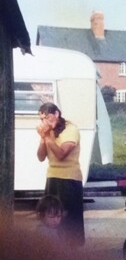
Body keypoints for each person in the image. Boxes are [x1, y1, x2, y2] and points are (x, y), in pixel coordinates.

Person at [37, 102, 85, 247]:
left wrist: (48, 137)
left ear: (57, 114)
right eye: (41, 119)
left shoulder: (71, 129)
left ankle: (71, 251)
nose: (44, 122)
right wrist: (42, 138)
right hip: (52, 176)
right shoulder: (49, 133)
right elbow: (40, 157)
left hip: (69, 179)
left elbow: (61, 154)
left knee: (67, 218)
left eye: (46, 117)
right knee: (50, 215)